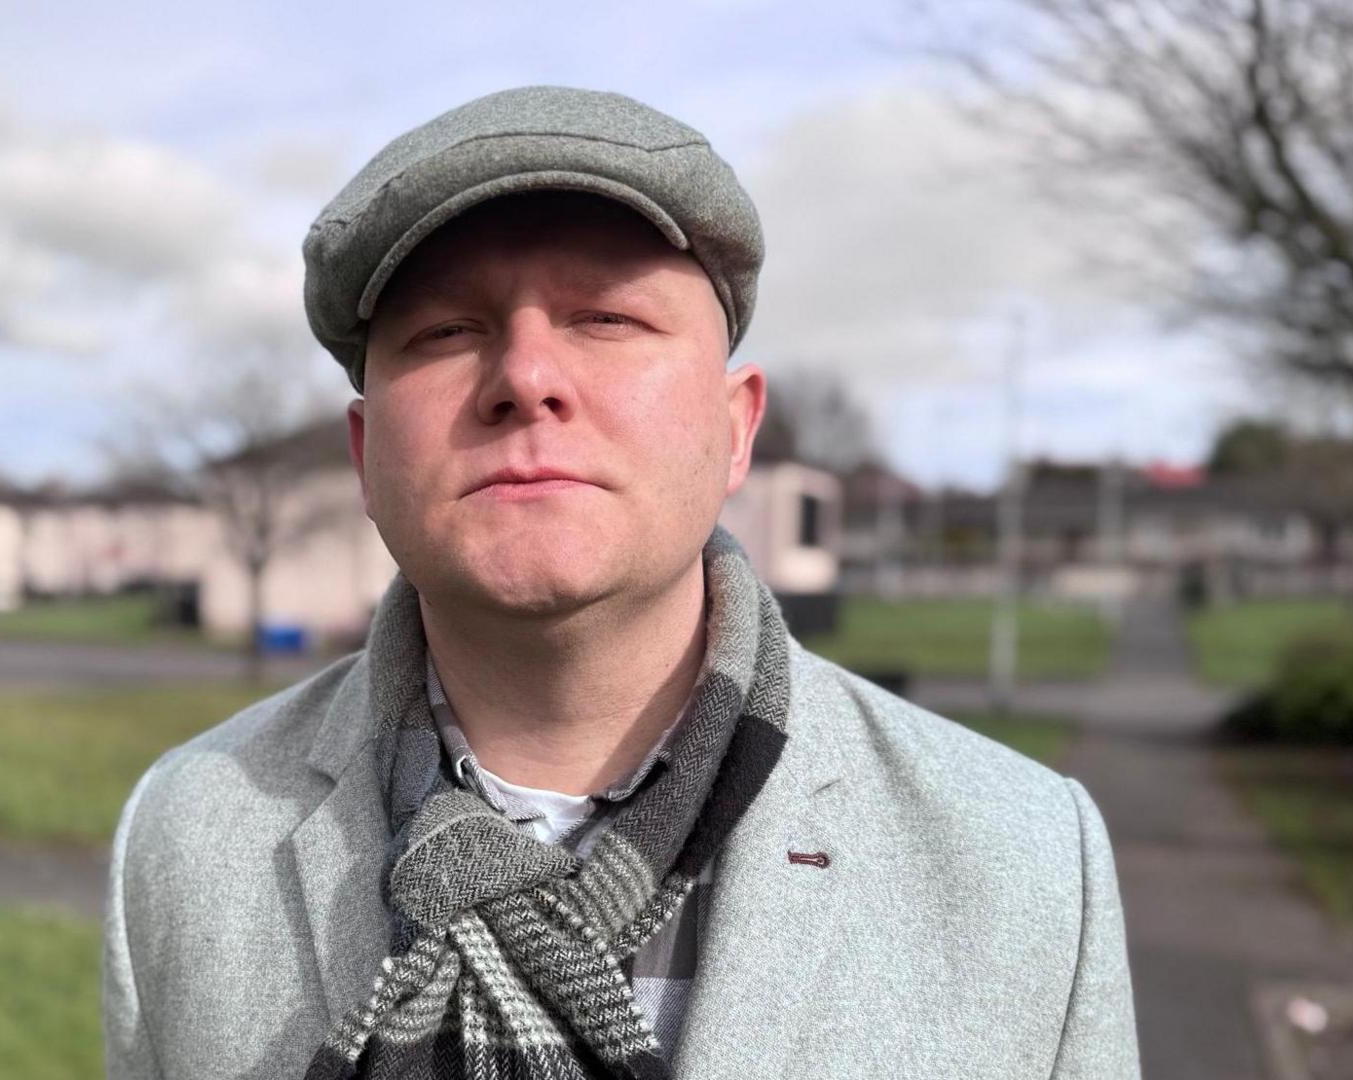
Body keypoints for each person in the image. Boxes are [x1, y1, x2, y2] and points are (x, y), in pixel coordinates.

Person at [103, 85, 1139, 1080]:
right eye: (447, 332)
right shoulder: (182, 834)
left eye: (605, 317)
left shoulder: (1031, 860)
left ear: (737, 428)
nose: (525, 376)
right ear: (367, 454)